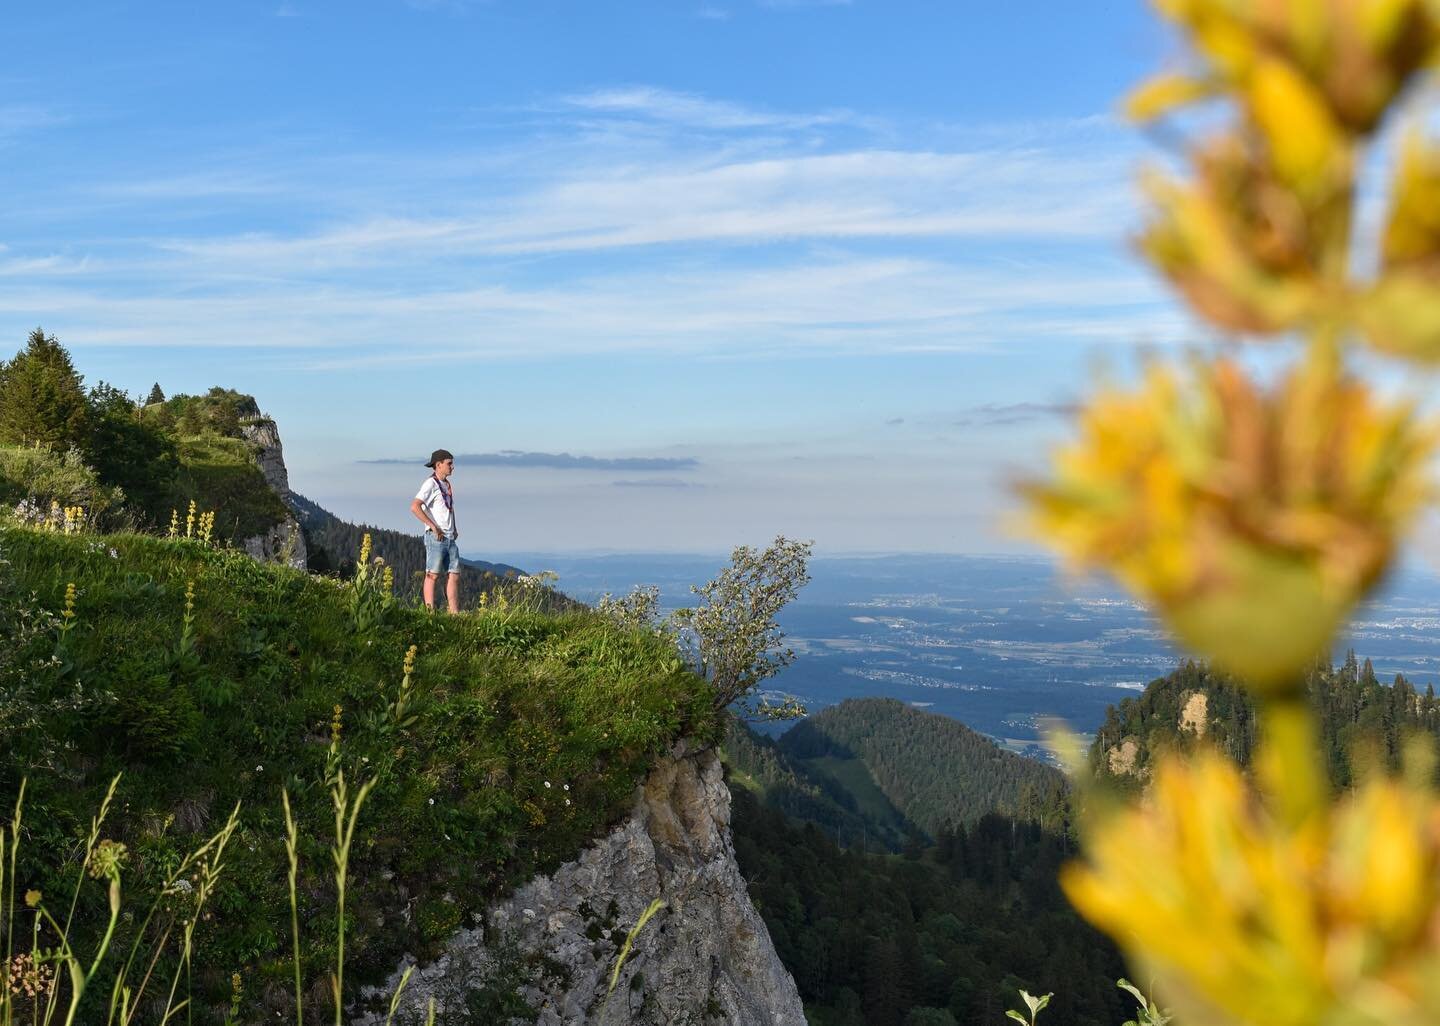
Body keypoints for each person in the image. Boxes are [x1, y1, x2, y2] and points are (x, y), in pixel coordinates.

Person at [410, 448, 461, 612]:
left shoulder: (447, 485)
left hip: (449, 536)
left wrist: (455, 527)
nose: (452, 467)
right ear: (438, 465)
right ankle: (429, 613)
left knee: (454, 574)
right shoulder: (430, 484)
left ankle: (454, 613)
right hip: (436, 537)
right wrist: (432, 526)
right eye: (449, 463)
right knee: (432, 575)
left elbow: (449, 509)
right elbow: (415, 506)